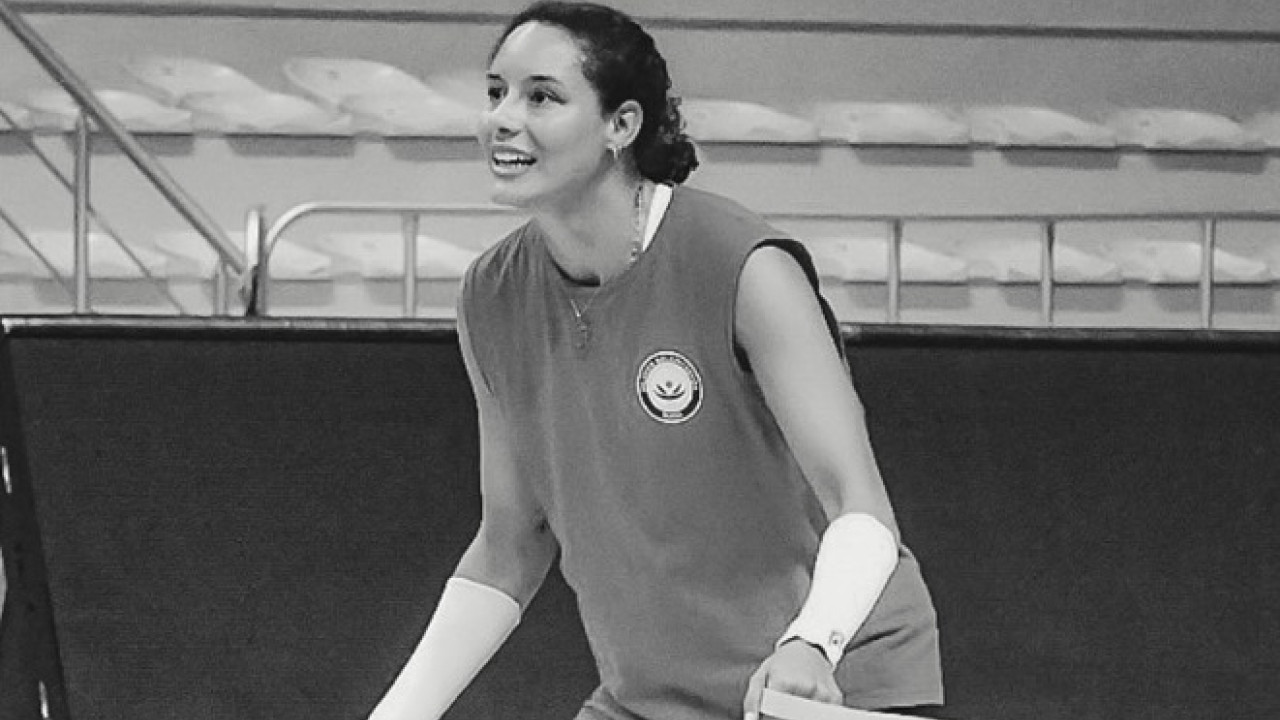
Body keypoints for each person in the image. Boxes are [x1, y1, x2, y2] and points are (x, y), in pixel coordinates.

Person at [369, 3, 943, 719]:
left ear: (622, 125)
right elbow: (510, 544)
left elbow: (861, 505)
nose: (502, 119)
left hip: (827, 680)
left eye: (541, 97)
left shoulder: (744, 266)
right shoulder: (491, 294)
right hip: (648, 698)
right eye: (496, 92)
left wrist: (811, 645)